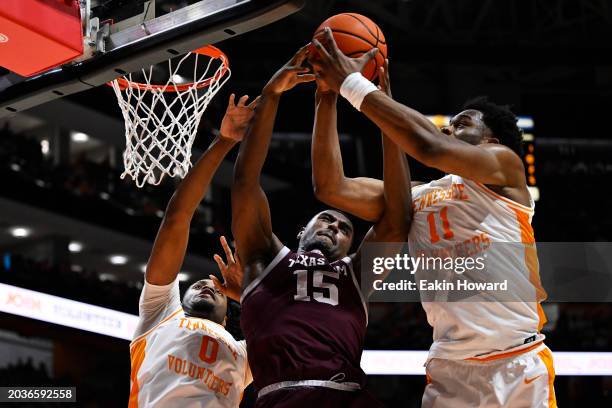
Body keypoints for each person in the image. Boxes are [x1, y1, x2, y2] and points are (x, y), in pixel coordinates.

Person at [309, 27, 556, 408]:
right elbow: (331, 187)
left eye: (462, 123)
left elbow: (427, 145)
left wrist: (353, 84)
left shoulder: (504, 167)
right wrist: (326, 98)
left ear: (492, 139)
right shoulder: (416, 197)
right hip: (450, 368)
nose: (447, 127)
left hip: (514, 360)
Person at [229, 45, 412, 407]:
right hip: (279, 396)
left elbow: (397, 219)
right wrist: (271, 94)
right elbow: (245, 183)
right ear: (301, 232)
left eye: (345, 229)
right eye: (326, 219)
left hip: (345, 396)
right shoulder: (264, 258)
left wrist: (383, 105)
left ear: (350, 247)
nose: (334, 227)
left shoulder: (357, 273)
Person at [128, 94, 258, 408]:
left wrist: (248, 298)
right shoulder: (160, 315)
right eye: (200, 284)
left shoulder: (243, 353)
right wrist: (223, 142)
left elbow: (292, 325)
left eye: (217, 288)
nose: (205, 283)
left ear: (228, 319)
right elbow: (177, 218)